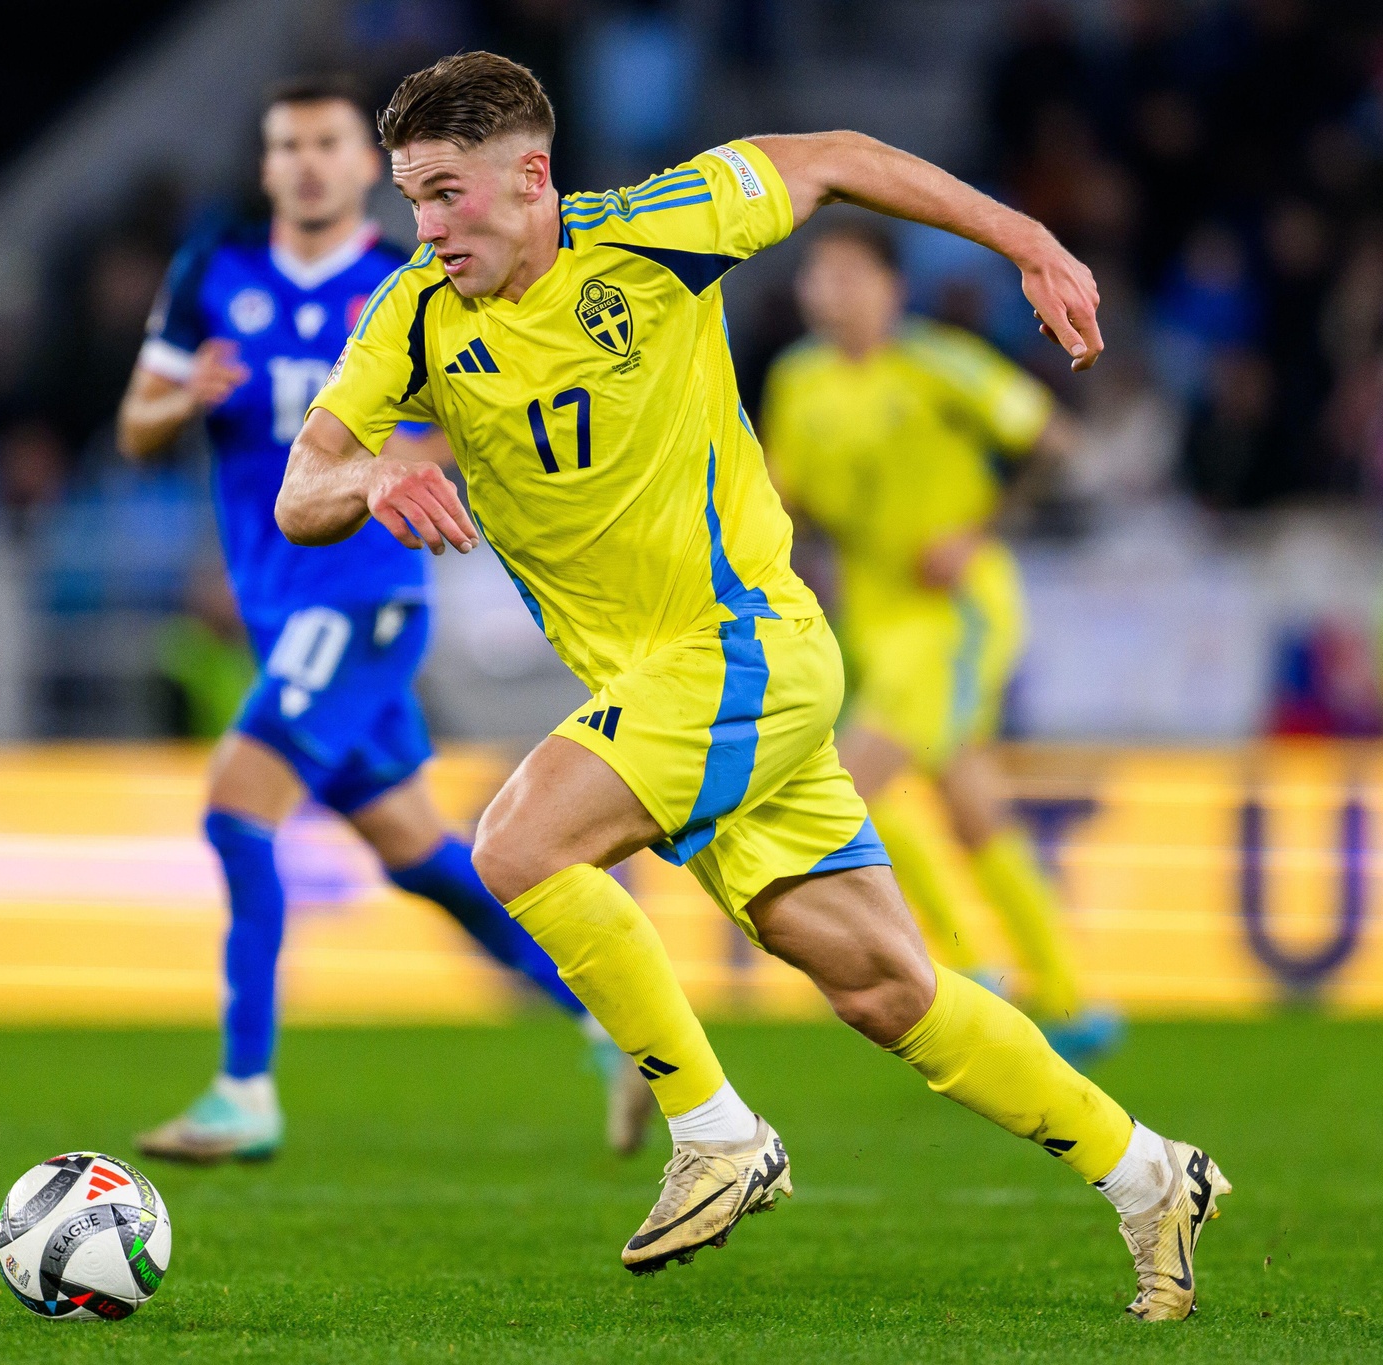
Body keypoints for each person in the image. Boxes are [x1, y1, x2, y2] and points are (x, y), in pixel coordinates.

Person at [278, 52, 1226, 1319]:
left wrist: (1026, 238)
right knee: (883, 986)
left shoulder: (657, 234)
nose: (425, 227)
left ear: (531, 177)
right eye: (410, 200)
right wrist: (370, 481)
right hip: (668, 690)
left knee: (516, 847)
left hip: (743, 650)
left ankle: (713, 1131)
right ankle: (1146, 1171)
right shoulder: (408, 319)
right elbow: (303, 487)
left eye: (445, 195)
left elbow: (834, 153)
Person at [117, 74, 654, 1164]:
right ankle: (614, 1022)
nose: (306, 162)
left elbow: (494, 412)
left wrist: (414, 456)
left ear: (365, 167)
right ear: (267, 166)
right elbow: (133, 426)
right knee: (420, 859)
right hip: (275, 608)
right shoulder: (210, 273)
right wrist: (183, 399)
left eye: (325, 143)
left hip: (362, 598)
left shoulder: (412, 285)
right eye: (286, 146)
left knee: (236, 808)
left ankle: (244, 1088)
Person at [761, 220, 1122, 1066]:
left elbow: (1056, 444)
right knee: (968, 801)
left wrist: (975, 530)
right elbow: (791, 495)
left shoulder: (938, 363)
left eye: (850, 272)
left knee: (853, 784)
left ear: (892, 288)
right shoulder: (798, 381)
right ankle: (1069, 997)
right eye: (821, 275)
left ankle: (965, 967)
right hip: (876, 619)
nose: (833, 290)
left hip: (957, 612)